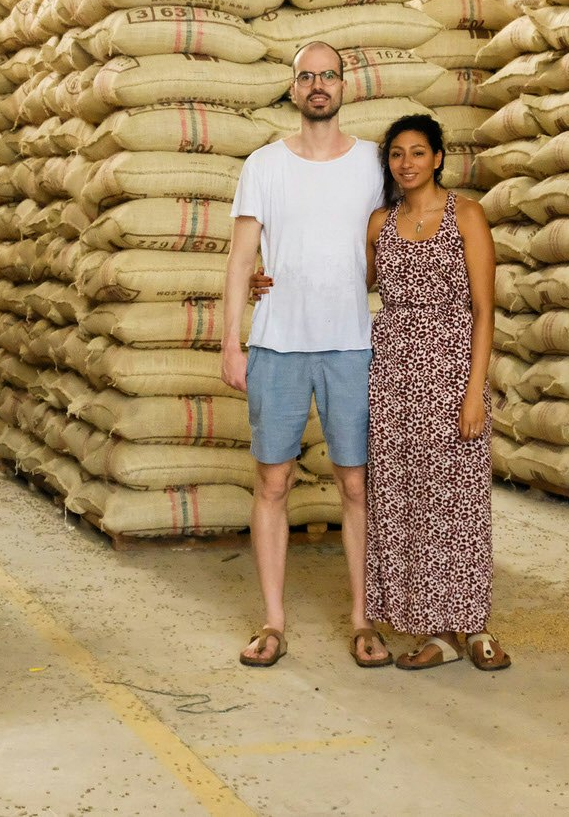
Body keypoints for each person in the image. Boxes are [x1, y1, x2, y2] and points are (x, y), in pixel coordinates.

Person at [221, 40, 394, 669]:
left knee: (356, 483)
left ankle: (363, 619)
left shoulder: (376, 164)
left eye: (328, 76)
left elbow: (397, 250)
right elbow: (242, 260)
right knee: (273, 480)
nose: (318, 85)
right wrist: (230, 342)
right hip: (277, 344)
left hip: (353, 344)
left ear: (346, 85)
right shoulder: (264, 165)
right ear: (293, 89)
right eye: (306, 77)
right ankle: (272, 621)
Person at [363, 114, 510, 671]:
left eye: (418, 152)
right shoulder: (380, 221)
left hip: (451, 375)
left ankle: (474, 626)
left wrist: (474, 392)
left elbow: (483, 310)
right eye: (397, 154)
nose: (407, 163)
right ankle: (438, 632)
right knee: (410, 504)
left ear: (439, 158)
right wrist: (269, 280)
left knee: (460, 504)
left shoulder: (466, 215)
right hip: (393, 378)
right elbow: (354, 286)